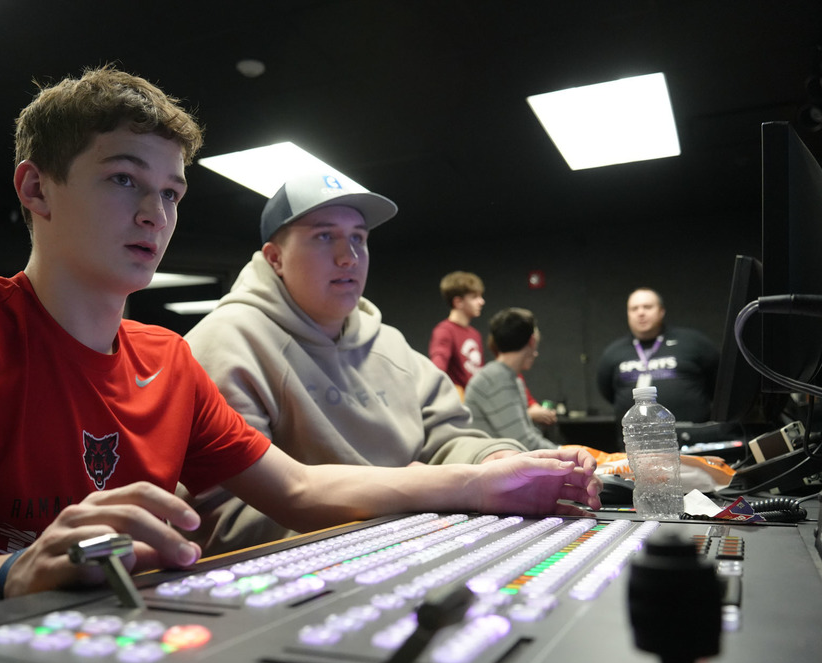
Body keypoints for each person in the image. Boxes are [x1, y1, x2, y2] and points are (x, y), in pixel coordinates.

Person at [0, 67, 600, 638]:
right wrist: (11, 572)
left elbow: (299, 489)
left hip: (126, 642)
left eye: (171, 192)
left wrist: (479, 483)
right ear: (36, 189)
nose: (153, 213)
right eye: (124, 179)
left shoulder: (166, 357)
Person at [181, 173, 600, 555]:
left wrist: (501, 464)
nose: (349, 257)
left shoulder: (391, 345)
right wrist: (415, 510)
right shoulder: (224, 344)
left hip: (415, 542)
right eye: (325, 237)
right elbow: (227, 520)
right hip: (313, 571)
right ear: (274, 258)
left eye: (359, 238)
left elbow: (449, 437)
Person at [596, 287, 720, 425]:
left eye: (647, 307)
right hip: (636, 440)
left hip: (695, 438)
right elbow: (607, 392)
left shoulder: (693, 342)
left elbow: (719, 384)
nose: (640, 313)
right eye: (634, 308)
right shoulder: (614, 351)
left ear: (661, 311)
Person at [463, 308, 558, 451]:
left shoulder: (510, 378)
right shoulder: (494, 378)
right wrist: (563, 452)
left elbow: (528, 438)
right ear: (532, 341)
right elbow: (523, 443)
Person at [428, 270, 485, 397]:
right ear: (458, 302)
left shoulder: (475, 334)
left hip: (475, 404)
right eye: (475, 297)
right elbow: (437, 368)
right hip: (459, 407)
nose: (481, 302)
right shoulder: (444, 331)